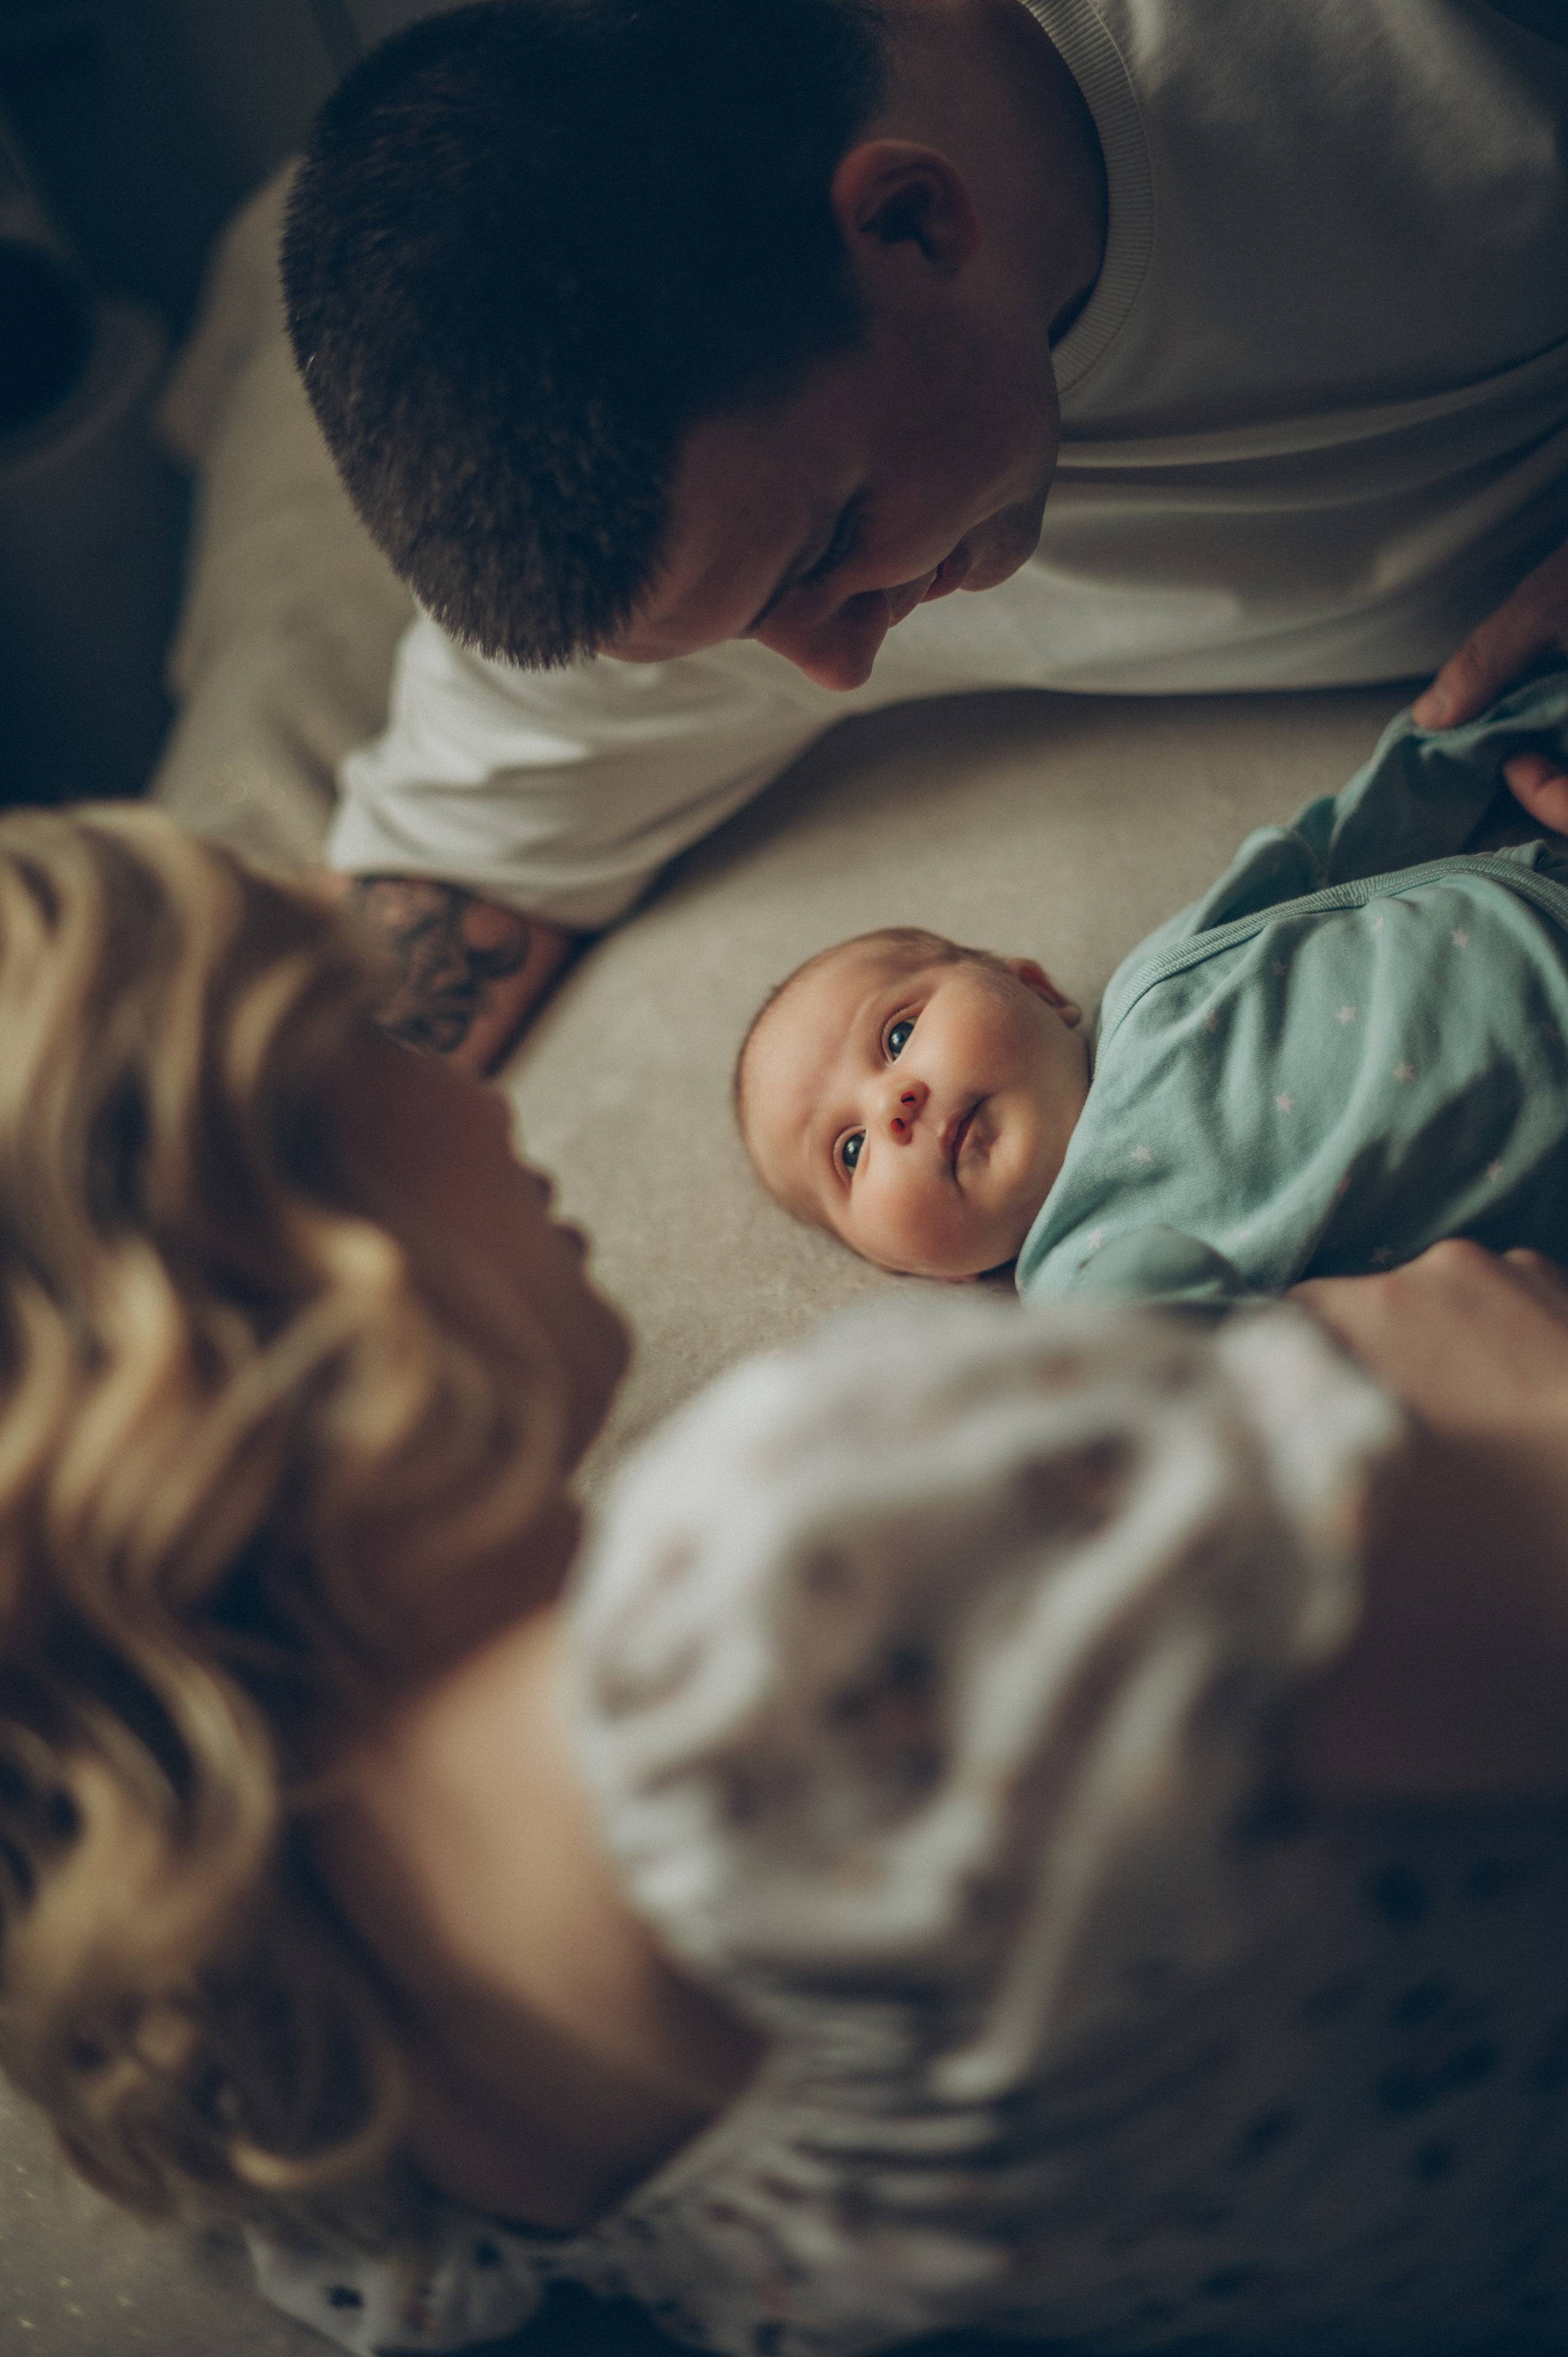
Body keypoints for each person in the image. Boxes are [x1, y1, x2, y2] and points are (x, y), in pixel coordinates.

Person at [8, 802, 1568, 2356]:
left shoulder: (330, 2119)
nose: (469, 1086)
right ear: (269, 1232)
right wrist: (1487, 1375)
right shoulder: (792, 1576)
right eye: (369, 1027)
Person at [277, 0, 1568, 1071]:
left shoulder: (1416, 54)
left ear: (910, 219)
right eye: (736, 631)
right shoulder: (662, 526)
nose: (833, 666)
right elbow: (410, 935)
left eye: (824, 548)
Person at [737, 672, 1568, 1290]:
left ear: (1036, 987)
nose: (893, 1106)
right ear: (908, 1265)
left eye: (897, 1035)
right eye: (850, 1153)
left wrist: (1471, 743)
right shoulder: (1086, 1276)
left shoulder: (1155, 978)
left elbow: (1325, 855)